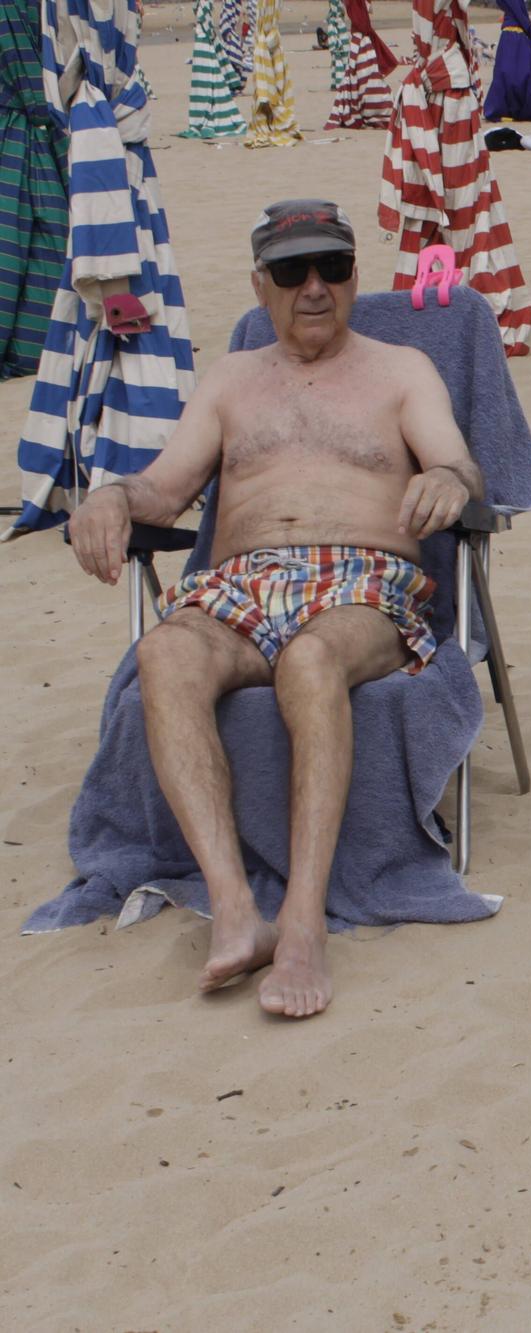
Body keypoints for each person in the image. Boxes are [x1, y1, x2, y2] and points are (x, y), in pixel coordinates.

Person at [63, 199, 483, 1019]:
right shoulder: (230, 381)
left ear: (357, 275)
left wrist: (448, 480)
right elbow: (166, 487)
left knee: (312, 658)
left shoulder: (402, 371)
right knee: (164, 652)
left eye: (333, 267)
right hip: (239, 585)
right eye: (293, 272)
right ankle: (233, 908)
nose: (315, 287)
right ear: (261, 285)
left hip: (364, 583)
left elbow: (461, 465)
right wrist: (114, 497)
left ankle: (301, 924)